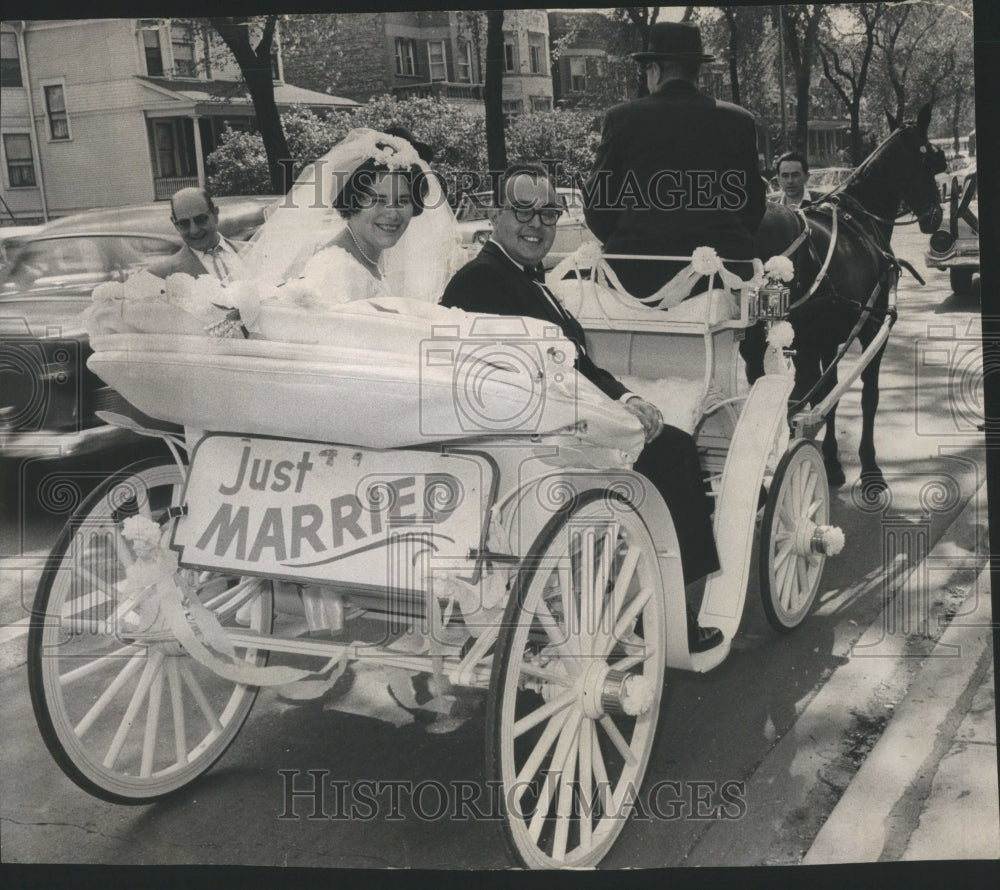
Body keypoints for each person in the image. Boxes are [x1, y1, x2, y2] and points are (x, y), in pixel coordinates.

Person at [441, 163, 723, 653]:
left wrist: (627, 399)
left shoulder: (516, 275)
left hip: (546, 427)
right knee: (676, 450)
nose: (537, 224)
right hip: (538, 448)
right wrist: (613, 417)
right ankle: (674, 610)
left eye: (548, 213)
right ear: (494, 213)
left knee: (665, 436)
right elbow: (510, 387)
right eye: (522, 211)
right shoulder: (483, 282)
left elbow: (576, 366)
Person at [584, 22, 766, 302]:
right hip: (721, 276)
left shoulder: (622, 118)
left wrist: (630, 240)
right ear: (698, 71)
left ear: (655, 69)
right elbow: (754, 206)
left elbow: (598, 204)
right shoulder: (739, 120)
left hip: (636, 275)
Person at [147, 188, 247, 282]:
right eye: (184, 223)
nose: (194, 230)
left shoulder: (255, 251)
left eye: (201, 219)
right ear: (174, 223)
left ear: (215, 214)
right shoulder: (162, 274)